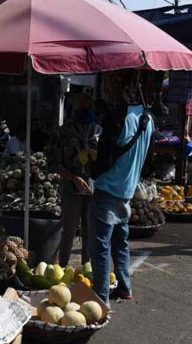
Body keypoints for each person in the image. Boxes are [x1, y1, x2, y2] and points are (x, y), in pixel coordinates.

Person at [88, 73, 154, 305]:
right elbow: (147, 163)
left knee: (100, 248)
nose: (108, 91)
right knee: (120, 243)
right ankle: (125, 287)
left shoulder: (115, 118)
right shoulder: (148, 119)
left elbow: (104, 159)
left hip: (107, 189)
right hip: (126, 191)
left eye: (111, 86)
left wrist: (89, 168)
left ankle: (101, 298)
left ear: (123, 90)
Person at [56, 94, 101, 267]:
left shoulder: (99, 132)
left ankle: (87, 269)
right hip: (71, 188)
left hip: (93, 187)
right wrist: (73, 178)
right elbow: (55, 164)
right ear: (73, 108)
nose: (85, 107)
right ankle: (61, 268)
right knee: (69, 230)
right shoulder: (64, 133)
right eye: (81, 104)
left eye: (88, 104)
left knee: (90, 232)